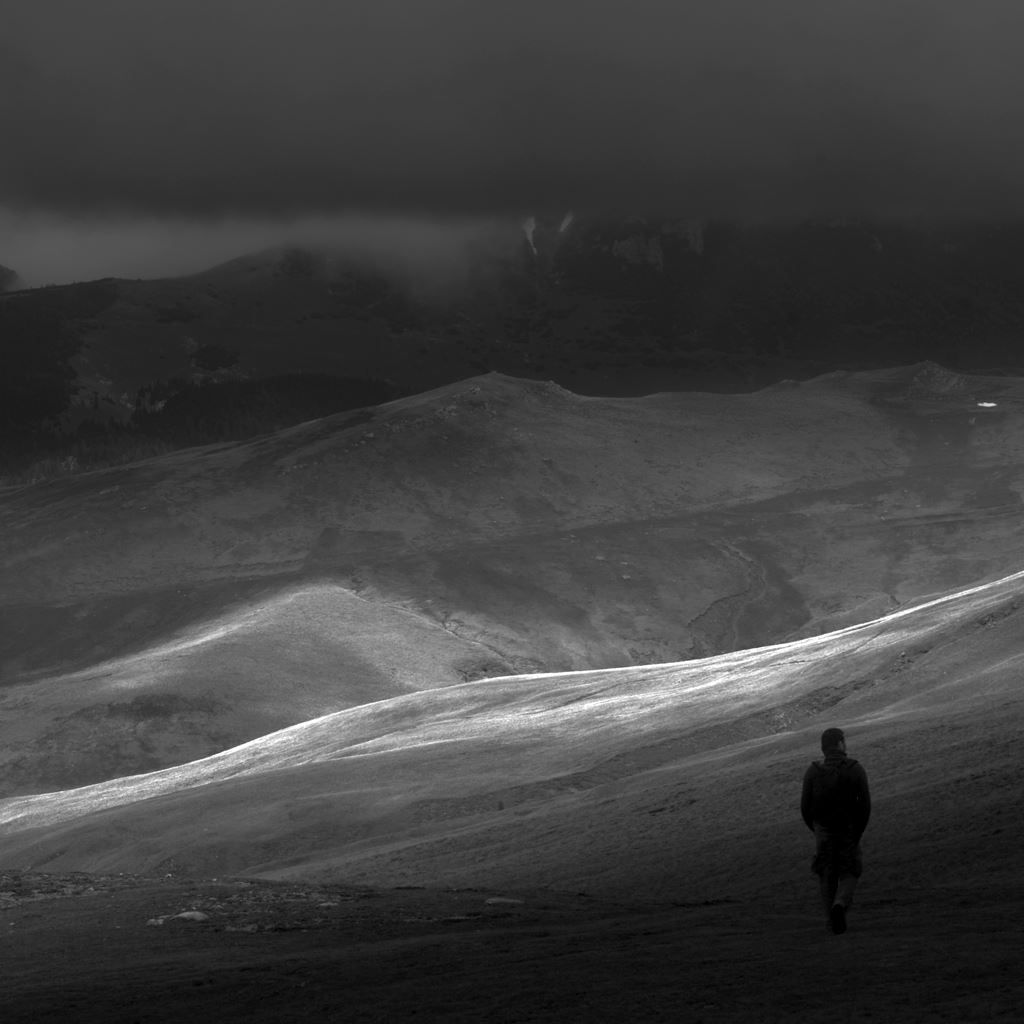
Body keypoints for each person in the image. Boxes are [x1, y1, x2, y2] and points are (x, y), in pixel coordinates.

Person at [800, 727, 871, 934]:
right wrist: (858, 832)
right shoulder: (855, 769)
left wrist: (816, 830)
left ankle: (831, 921)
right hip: (848, 829)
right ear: (840, 744)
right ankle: (840, 904)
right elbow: (865, 806)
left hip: (823, 831)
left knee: (826, 874)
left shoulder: (813, 771)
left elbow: (805, 807)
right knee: (850, 872)